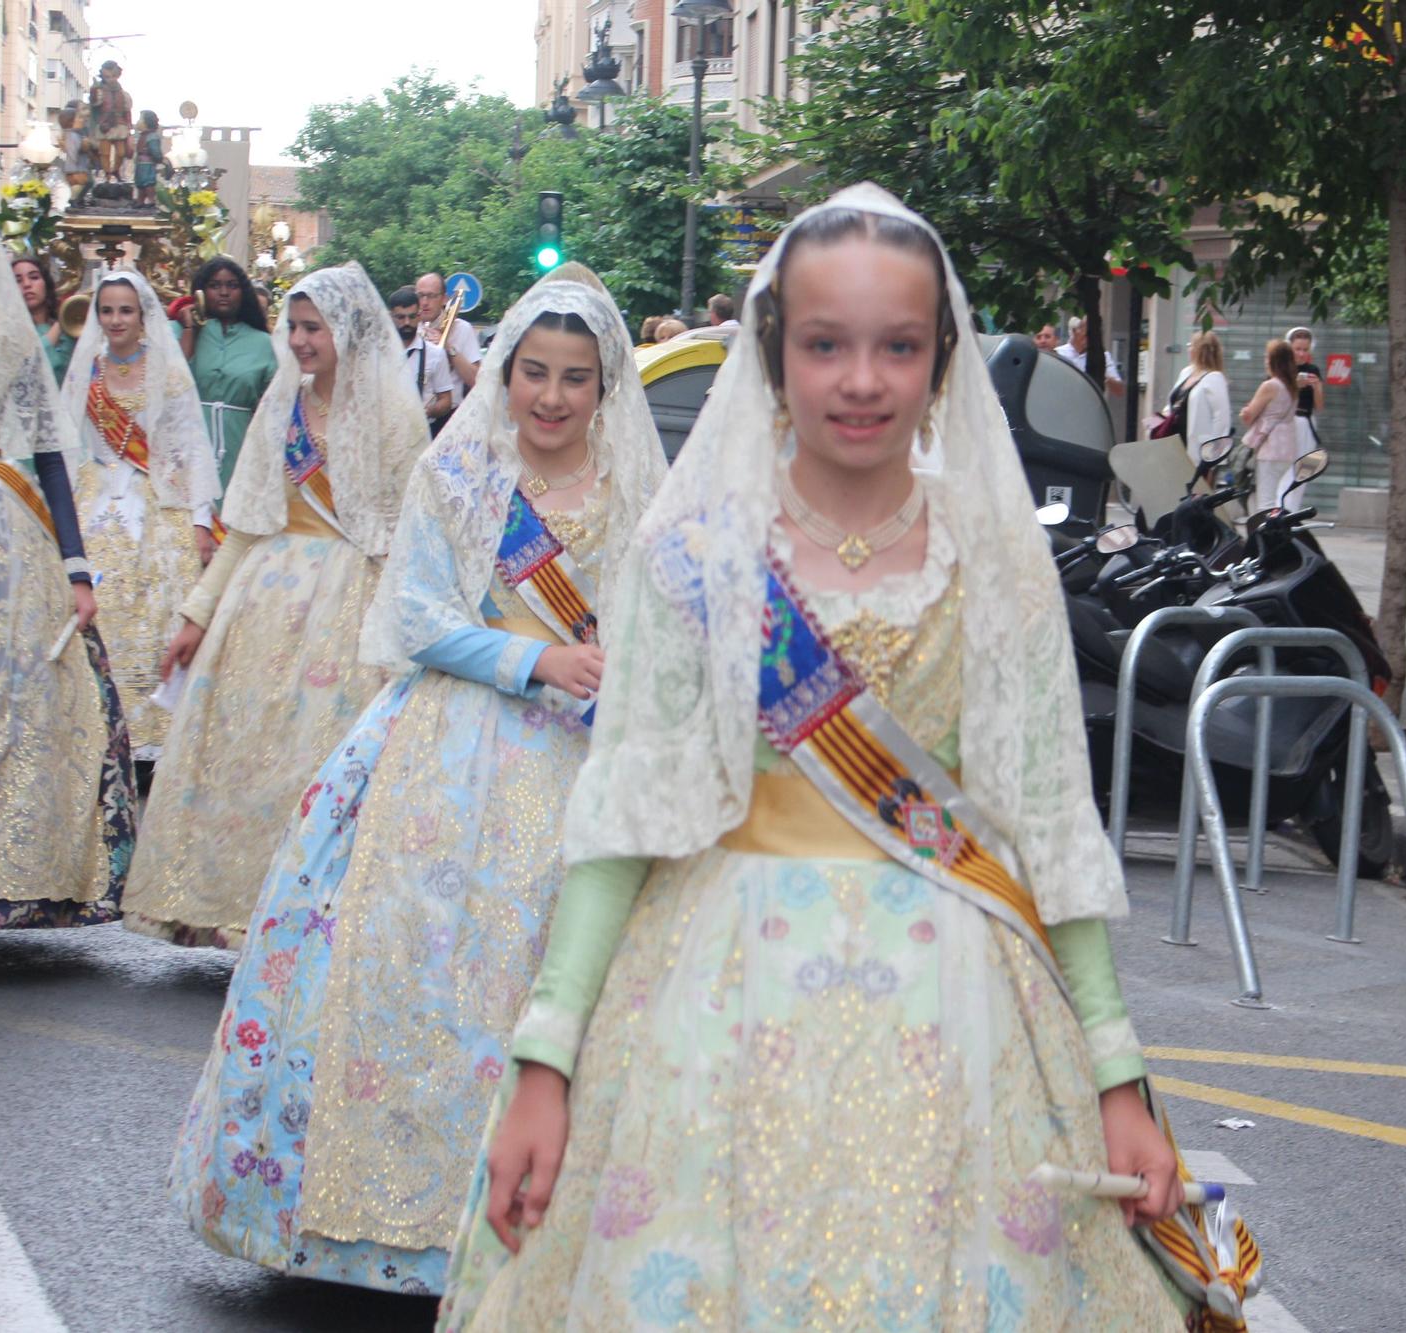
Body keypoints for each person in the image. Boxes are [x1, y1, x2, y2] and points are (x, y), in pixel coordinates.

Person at [436, 185, 1252, 1331]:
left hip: (957, 1011)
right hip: (707, 1007)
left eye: (896, 346)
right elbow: (621, 816)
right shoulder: (693, 549)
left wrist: (1117, 1077)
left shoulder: (992, 556)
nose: (860, 379)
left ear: (938, 360)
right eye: (825, 344)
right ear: (773, 355)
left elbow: (1048, 821)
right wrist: (547, 1057)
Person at [168, 267, 668, 1294]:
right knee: (407, 968)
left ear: (604, 387)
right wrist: (533, 659)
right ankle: (381, 1220)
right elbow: (417, 617)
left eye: (577, 378)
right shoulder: (459, 473)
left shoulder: (634, 495)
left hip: (586, 758)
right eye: (535, 372)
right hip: (448, 754)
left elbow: (654, 622)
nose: (553, 397)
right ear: (505, 371)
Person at [122, 264, 431, 949]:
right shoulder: (283, 403)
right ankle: (233, 912)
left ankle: (306, 925)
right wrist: (198, 614)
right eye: (292, 326)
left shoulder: (395, 416)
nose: (297, 341)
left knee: (314, 770)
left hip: (348, 609)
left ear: (346, 332)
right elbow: (248, 523)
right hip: (261, 606)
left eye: (312, 328)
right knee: (240, 764)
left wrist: (397, 636)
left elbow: (411, 539)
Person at [0, 188, 136, 930]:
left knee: (6, 713)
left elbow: (51, 459)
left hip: (2, 542)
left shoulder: (10, 337)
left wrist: (75, 564)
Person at [61, 270, 220, 789]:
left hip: (157, 502)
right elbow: (66, 443)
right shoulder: (87, 370)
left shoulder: (168, 374)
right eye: (107, 311)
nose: (116, 321)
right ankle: (96, 725)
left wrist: (199, 520)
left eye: (125, 310)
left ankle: (153, 739)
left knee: (156, 613)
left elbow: (191, 448)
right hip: (94, 494)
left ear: (143, 314)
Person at [173, 256, 278, 492]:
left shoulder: (263, 342)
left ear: (243, 292)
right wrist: (190, 328)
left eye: (232, 286)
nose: (223, 292)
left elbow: (275, 401)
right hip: (187, 439)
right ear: (201, 291)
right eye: (214, 286)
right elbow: (173, 381)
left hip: (240, 442)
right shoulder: (180, 330)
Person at [1240, 338, 1306, 515]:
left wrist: (1245, 411)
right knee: (1276, 495)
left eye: (1266, 357)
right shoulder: (1291, 386)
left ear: (1273, 361)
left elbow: (1249, 416)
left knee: (1266, 501)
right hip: (1288, 448)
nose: (1265, 361)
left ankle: (1265, 537)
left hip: (1270, 448)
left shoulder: (1270, 385)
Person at [391, 285, 457, 430]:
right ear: (391, 316)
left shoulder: (435, 354)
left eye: (412, 316)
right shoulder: (378, 353)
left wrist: (427, 412)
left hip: (421, 434)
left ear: (419, 315)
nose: (407, 322)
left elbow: (446, 400)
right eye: (401, 317)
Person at [1165, 328, 1231, 466]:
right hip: (1174, 444)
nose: (1189, 349)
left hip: (1198, 450)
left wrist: (1213, 455)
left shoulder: (1214, 378)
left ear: (1199, 350)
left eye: (1191, 346)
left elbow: (1222, 418)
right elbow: (1173, 403)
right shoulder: (1186, 372)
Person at [418, 271, 484, 405]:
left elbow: (477, 381)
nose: (424, 302)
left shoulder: (462, 328)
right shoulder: (410, 328)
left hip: (448, 416)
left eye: (431, 296)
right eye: (420, 296)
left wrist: (448, 347)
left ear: (444, 299)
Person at [12, 254, 72, 384]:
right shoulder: (8, 333)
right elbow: (33, 366)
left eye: (34, 277)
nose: (27, 284)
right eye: (18, 280)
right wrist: (60, 324)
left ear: (46, 283)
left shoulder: (69, 329)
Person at [1059, 314, 1125, 396]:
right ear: (1074, 331)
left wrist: (1103, 375)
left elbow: (1119, 391)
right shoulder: (1059, 353)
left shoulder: (1103, 356)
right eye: (1086, 334)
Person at [88, 61, 132, 183]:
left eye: (113, 76)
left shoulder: (123, 93)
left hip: (119, 123)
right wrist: (94, 91)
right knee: (104, 153)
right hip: (104, 123)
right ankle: (107, 174)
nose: (111, 79)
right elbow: (94, 103)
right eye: (107, 77)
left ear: (118, 75)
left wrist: (129, 125)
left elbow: (127, 110)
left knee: (121, 152)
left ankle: (115, 170)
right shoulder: (100, 90)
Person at [133, 110, 167, 207]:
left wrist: (159, 158)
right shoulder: (142, 136)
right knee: (140, 183)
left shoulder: (152, 137)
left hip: (147, 164)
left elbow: (155, 151)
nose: (138, 122)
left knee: (148, 182)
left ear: (146, 122)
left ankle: (151, 200)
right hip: (140, 164)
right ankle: (140, 201)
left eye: (140, 119)